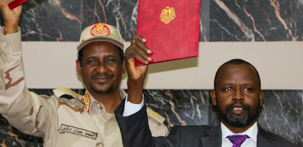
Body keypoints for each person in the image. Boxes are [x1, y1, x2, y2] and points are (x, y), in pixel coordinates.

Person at [0, 0, 168, 147]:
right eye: (92, 61)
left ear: (123, 66)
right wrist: (10, 27)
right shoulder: (56, 112)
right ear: (79, 67)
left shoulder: (152, 127)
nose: (101, 69)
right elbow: (13, 105)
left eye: (110, 60)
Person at [114, 35, 300, 147]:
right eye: (227, 89)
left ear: (260, 97)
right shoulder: (185, 140)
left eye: (247, 89)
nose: (237, 96)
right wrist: (135, 84)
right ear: (214, 97)